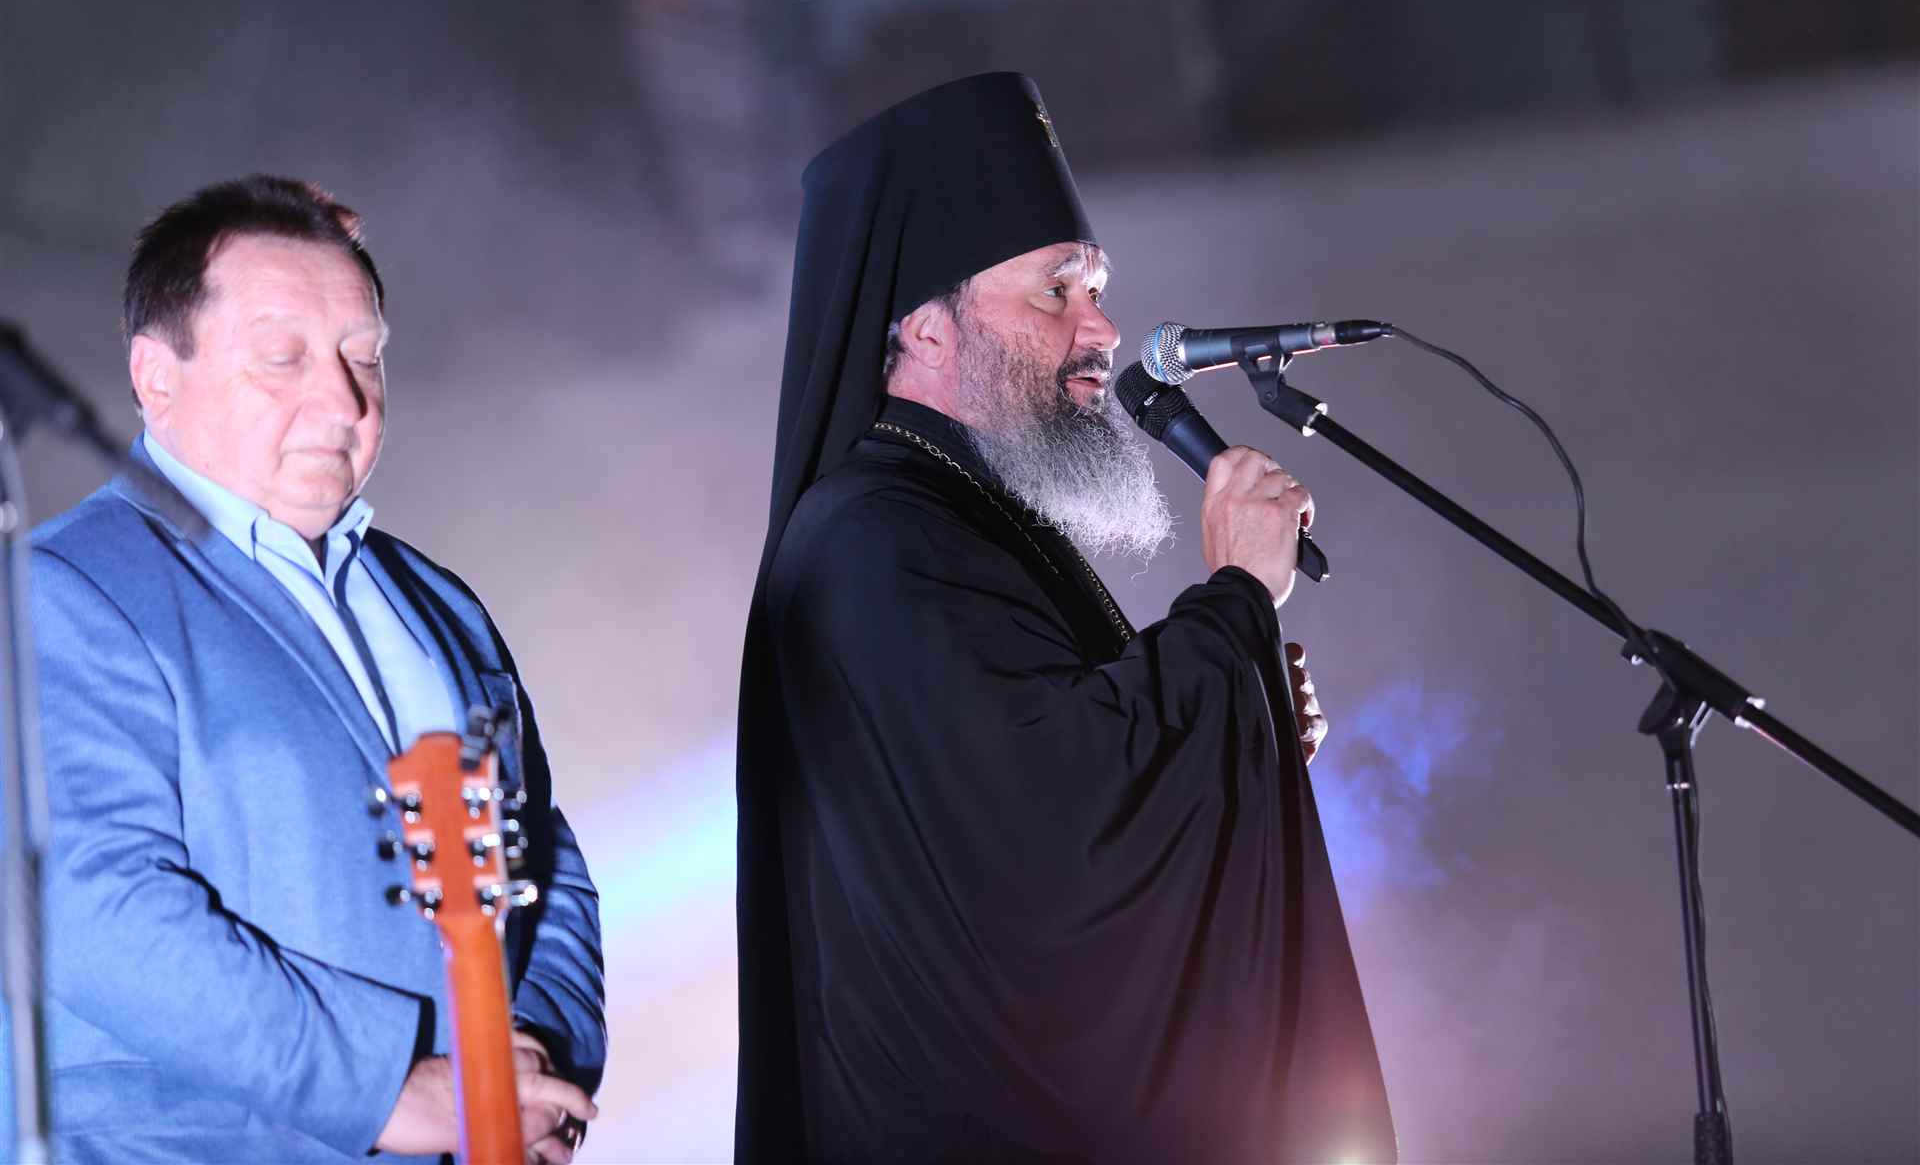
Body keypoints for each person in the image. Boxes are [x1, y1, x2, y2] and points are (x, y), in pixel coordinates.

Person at [736, 74, 1397, 1164]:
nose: (1104, 328)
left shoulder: (957, 513)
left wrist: (1240, 708)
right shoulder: (872, 539)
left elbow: (1063, 774)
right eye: (1057, 291)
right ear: (924, 329)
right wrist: (1234, 601)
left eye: (1097, 287)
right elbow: (1055, 830)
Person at [32, 176, 606, 1164]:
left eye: (363, 355)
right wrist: (383, 1089)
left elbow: (541, 855)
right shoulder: (61, 588)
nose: (343, 400)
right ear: (157, 376)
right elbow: (94, 907)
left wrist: (531, 1055)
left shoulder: (442, 604)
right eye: (282, 357)